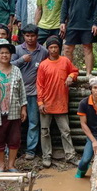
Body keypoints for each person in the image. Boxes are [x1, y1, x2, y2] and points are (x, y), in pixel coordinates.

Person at [0, 39, 27, 172]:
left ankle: (11, 165)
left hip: (13, 110)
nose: (5, 55)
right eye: (2, 53)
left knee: (14, 138)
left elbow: (22, 91)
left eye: (7, 53)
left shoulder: (16, 70)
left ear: (11, 54)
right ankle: (2, 165)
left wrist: (23, 108)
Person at [36, 36, 79, 168]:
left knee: (65, 131)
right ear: (48, 49)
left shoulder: (65, 61)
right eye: (51, 47)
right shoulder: (43, 65)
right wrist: (40, 102)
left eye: (56, 47)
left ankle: (70, 155)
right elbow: (39, 85)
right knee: (45, 131)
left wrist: (71, 76)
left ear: (59, 48)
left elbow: (75, 71)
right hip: (46, 103)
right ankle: (46, 156)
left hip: (61, 102)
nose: (54, 50)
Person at [11, 24, 48, 160]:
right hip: (17, 92)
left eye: (32, 36)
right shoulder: (17, 49)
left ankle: (31, 150)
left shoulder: (43, 51)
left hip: (34, 93)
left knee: (34, 122)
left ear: (37, 36)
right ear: (23, 36)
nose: (30, 38)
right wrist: (22, 60)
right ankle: (13, 149)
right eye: (27, 36)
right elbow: (8, 65)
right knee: (15, 122)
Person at [60, 0, 97, 76]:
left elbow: (96, 7)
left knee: (88, 48)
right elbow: (64, 6)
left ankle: (88, 74)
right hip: (72, 24)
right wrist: (62, 22)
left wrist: (96, 23)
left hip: (88, 25)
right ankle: (68, 73)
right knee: (67, 49)